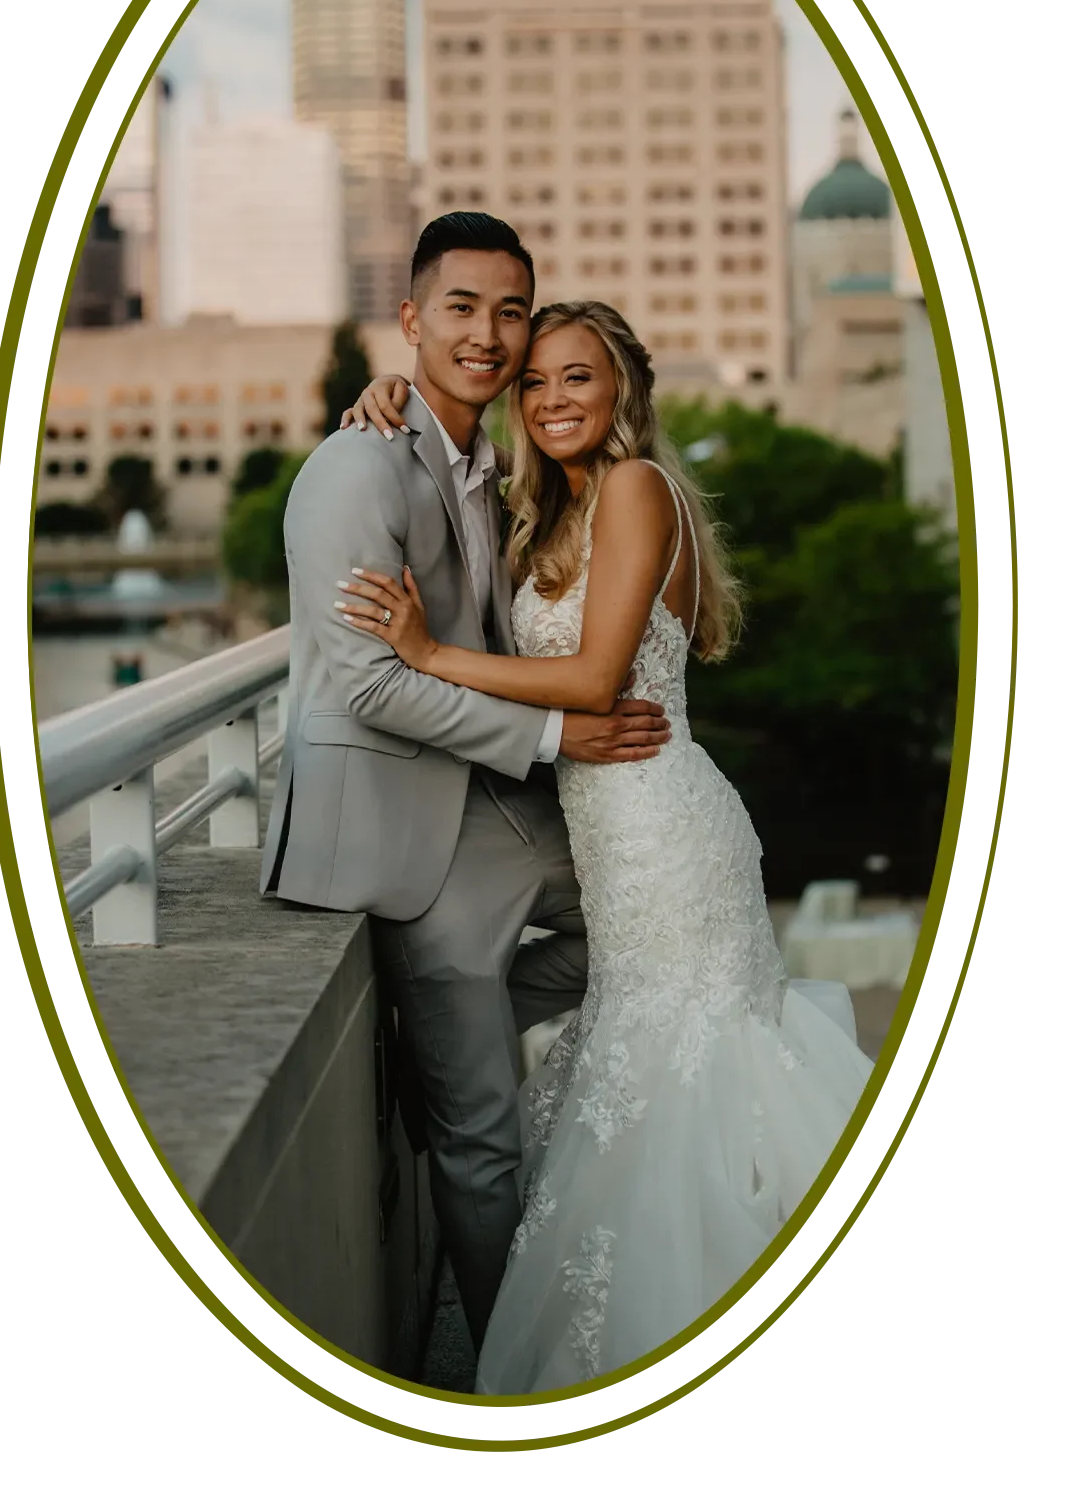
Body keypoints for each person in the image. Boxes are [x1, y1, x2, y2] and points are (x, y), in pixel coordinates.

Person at [337, 298, 875, 1394]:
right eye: (533, 382)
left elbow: (591, 681)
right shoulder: (557, 507)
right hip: (613, 834)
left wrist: (426, 653)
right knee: (648, 1062)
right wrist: (390, 399)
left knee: (685, 1071)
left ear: (622, 387)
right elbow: (450, 461)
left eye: (576, 377)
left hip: (663, 832)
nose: (549, 399)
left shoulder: (633, 488)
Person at [258, 215, 672, 1357]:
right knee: (482, 1140)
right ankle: (506, 1370)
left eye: (509, 311)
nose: (486, 333)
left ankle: (445, 1042)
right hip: (412, 830)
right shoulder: (353, 467)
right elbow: (369, 686)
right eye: (460, 307)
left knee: (657, 926)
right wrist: (556, 734)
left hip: (499, 804)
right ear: (411, 319)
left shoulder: (498, 467)